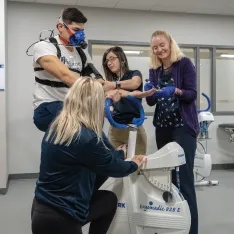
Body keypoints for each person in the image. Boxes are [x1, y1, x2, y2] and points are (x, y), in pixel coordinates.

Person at [31, 76, 147, 234]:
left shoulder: (58, 126)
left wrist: (119, 153)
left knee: (108, 200)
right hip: (62, 219)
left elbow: (101, 158)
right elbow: (113, 167)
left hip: (41, 209)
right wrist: (133, 163)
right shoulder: (85, 138)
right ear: (95, 104)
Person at [144, 30, 199, 234]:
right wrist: (148, 89)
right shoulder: (155, 68)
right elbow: (151, 100)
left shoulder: (184, 64)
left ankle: (191, 230)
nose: (159, 50)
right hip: (163, 127)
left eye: (162, 45)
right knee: (165, 181)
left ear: (170, 43)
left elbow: (191, 94)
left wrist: (175, 91)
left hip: (183, 127)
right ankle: (170, 227)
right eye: (155, 47)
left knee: (184, 181)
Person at [32, 7, 105, 132]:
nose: (80, 34)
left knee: (94, 126)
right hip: (47, 106)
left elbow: (98, 79)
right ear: (60, 27)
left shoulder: (82, 54)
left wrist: (114, 91)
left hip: (72, 107)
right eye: (76, 30)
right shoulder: (45, 47)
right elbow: (66, 76)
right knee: (82, 128)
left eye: (82, 30)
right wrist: (98, 89)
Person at [102, 46, 156, 155]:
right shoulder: (110, 82)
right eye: (107, 60)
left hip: (133, 127)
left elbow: (135, 83)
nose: (109, 63)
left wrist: (115, 86)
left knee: (137, 165)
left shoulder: (134, 74)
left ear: (122, 60)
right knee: (116, 164)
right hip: (115, 128)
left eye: (112, 58)